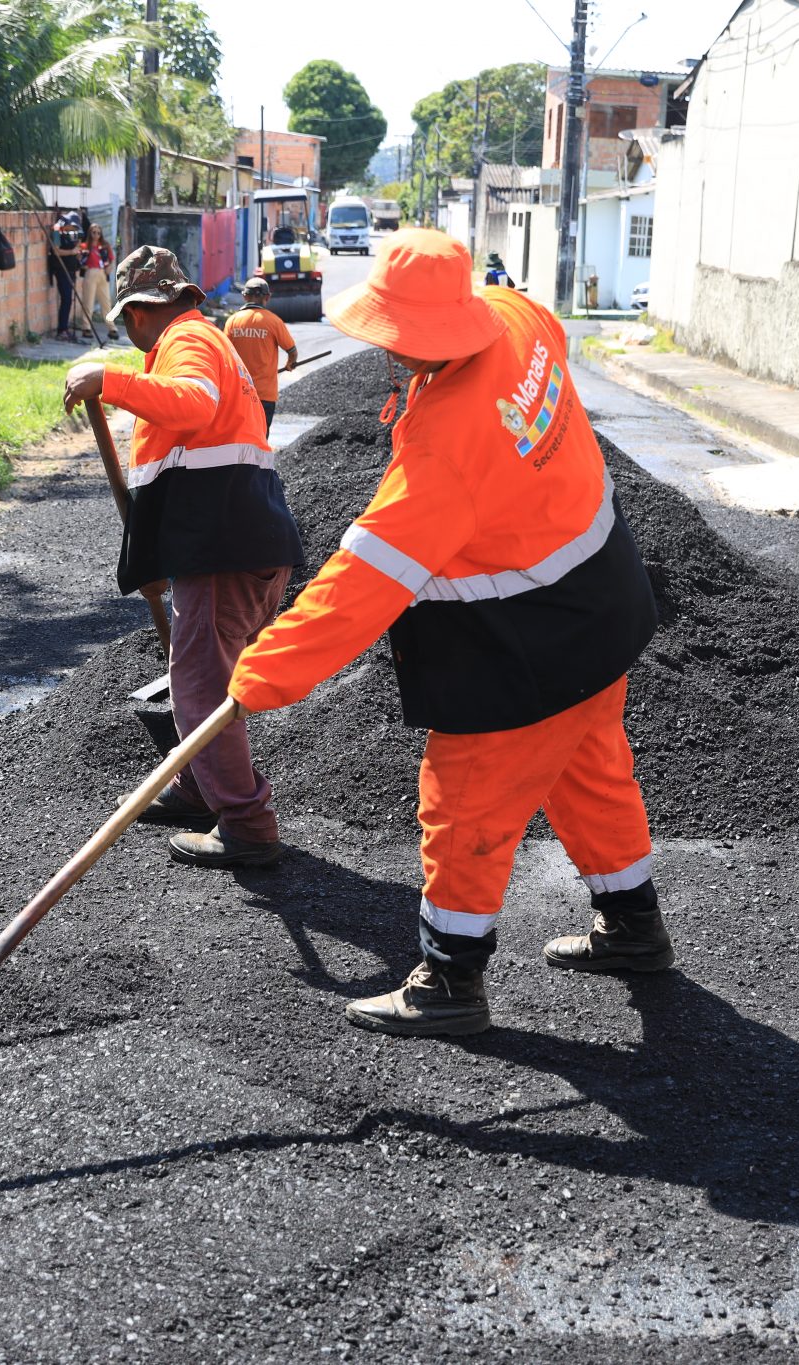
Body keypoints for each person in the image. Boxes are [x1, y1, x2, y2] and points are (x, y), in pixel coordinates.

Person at [226, 229, 667, 1038]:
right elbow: (552, 342)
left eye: (399, 339)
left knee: (463, 805)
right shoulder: (514, 314)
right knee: (593, 770)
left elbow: (360, 586)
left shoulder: (446, 452)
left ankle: (449, 980)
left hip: (524, 647)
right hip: (605, 603)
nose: (390, 354)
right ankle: (635, 927)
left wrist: (260, 676)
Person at [60, 247, 301, 866]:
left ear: (140, 312)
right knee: (198, 674)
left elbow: (190, 403)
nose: (127, 336)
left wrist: (108, 380)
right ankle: (197, 782)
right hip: (231, 542)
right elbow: (184, 458)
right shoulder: (201, 337)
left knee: (199, 685)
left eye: (125, 323)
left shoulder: (187, 342)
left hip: (228, 548)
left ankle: (247, 823)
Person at [222, 277, 297, 434]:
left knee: (238, 437)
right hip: (265, 395)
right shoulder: (274, 322)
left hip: (238, 394)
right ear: (267, 297)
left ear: (244, 296)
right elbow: (291, 351)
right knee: (261, 437)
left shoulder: (232, 321)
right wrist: (290, 364)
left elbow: (224, 356)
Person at [74, 223, 113, 341]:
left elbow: (111, 259)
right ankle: (86, 327)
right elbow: (78, 258)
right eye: (94, 232)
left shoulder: (105, 246)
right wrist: (82, 262)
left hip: (102, 273)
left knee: (106, 302)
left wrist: (109, 267)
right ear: (90, 233)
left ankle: (112, 328)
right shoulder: (85, 246)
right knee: (88, 302)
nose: (96, 235)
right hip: (90, 273)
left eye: (98, 233)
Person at [48, 211, 82, 342]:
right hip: (61, 270)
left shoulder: (69, 234)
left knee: (68, 300)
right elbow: (56, 251)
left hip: (70, 270)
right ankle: (61, 330)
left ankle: (65, 328)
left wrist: (76, 254)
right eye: (73, 226)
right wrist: (71, 252)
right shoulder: (56, 232)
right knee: (66, 299)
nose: (74, 229)